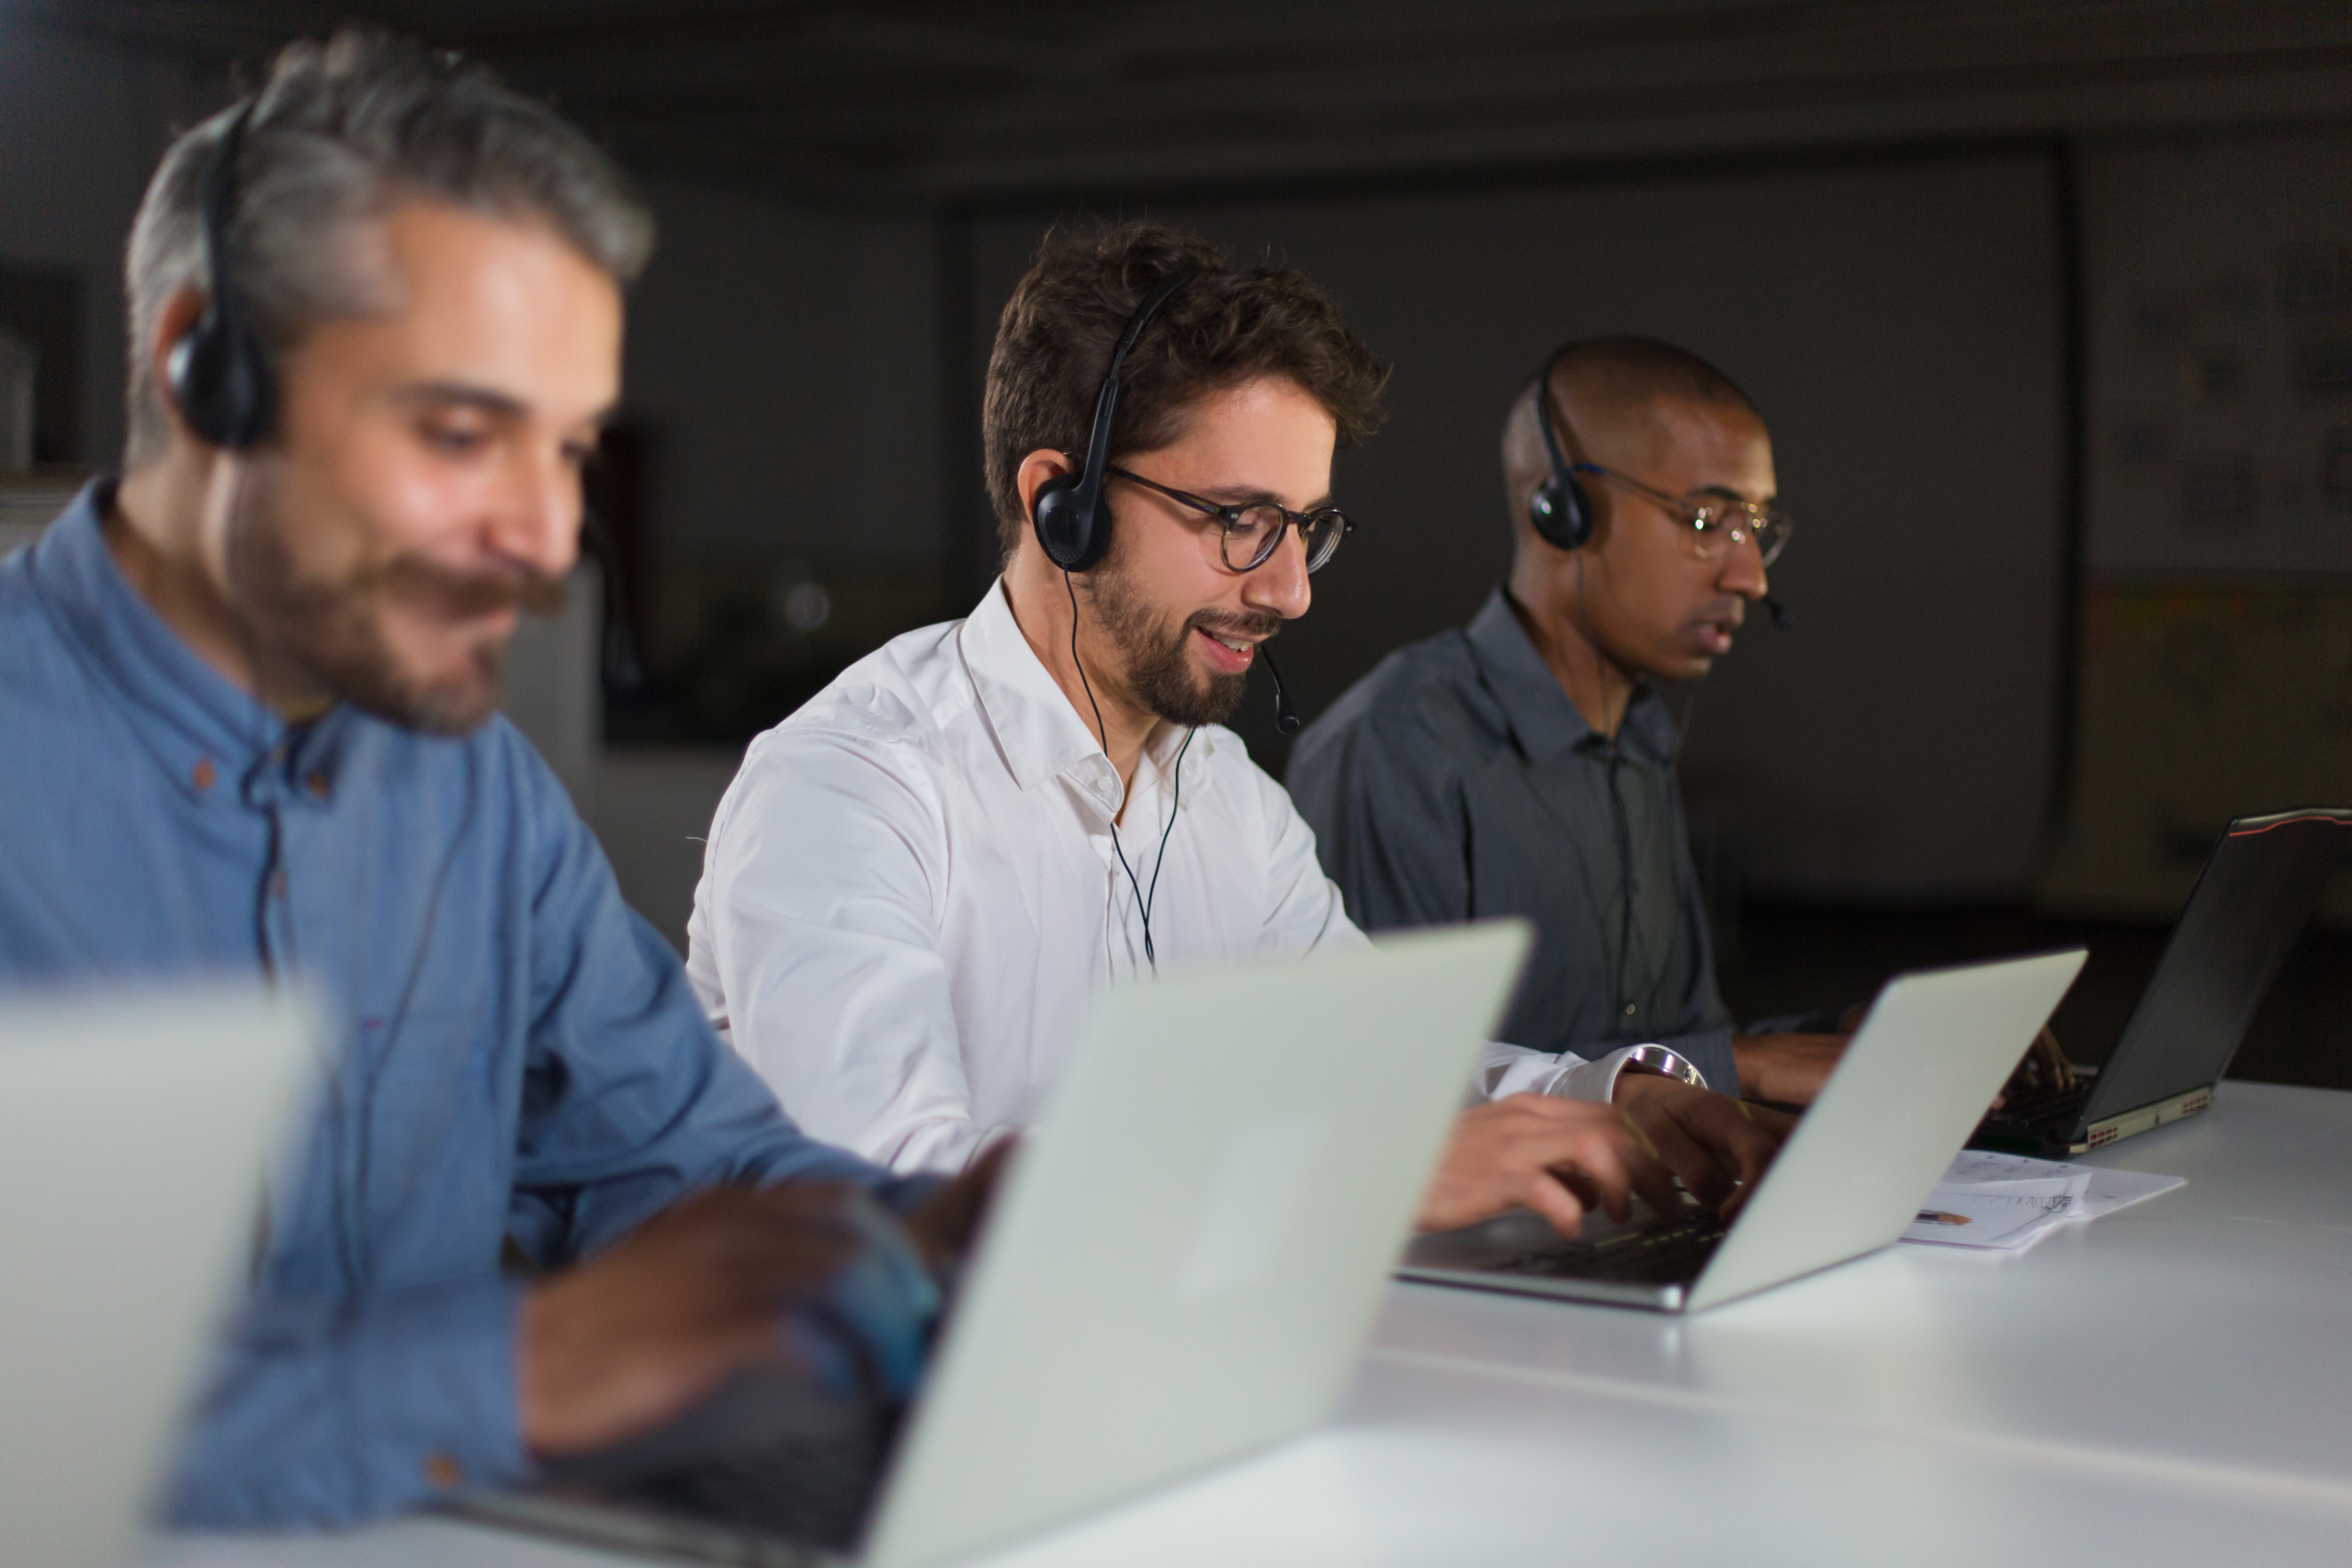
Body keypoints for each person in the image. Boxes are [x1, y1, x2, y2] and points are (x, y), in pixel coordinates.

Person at [0, 34, 989, 1530]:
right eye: (462, 433)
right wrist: (519, 1370)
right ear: (207, 370)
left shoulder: (475, 796)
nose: (544, 541)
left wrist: (944, 1231)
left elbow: (685, 1155)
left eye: (571, 450)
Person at [686, 228, 1787, 1242]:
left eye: (1306, 528)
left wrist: (1615, 1098)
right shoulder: (848, 789)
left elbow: (1380, 1067)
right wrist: (1348, 1174)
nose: (1293, 591)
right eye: (1241, 523)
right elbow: (891, 1201)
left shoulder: (1228, 799)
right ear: (1058, 503)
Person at [1288, 339, 1857, 1104]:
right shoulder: (1397, 746)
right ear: (1563, 512)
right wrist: (1743, 1065)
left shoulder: (1639, 739)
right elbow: (1389, 1089)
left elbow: (1679, 1031)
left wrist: (1849, 1034)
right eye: (1705, 519)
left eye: (1757, 527)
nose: (1749, 575)